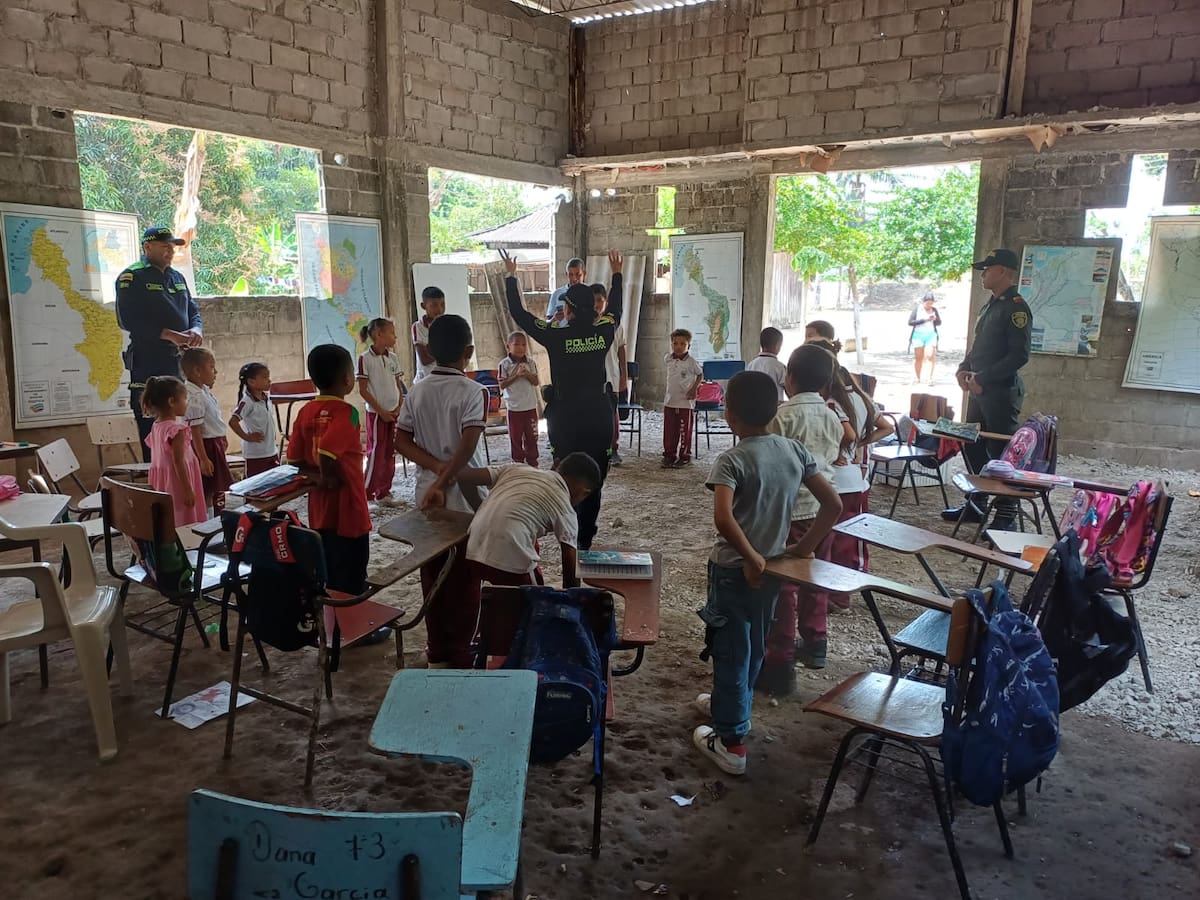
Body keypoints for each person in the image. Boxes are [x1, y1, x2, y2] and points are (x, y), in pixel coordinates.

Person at [692, 370, 841, 776]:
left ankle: (731, 742)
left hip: (733, 569)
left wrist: (750, 556)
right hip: (772, 568)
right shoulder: (793, 450)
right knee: (754, 645)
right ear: (776, 410)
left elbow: (724, 519)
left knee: (729, 650)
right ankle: (730, 706)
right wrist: (801, 548)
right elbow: (832, 505)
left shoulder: (733, 458)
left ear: (729, 414)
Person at [501, 248, 623, 551]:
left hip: (565, 417)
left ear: (568, 309)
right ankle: (585, 538)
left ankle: (568, 533)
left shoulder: (556, 335)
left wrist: (511, 278)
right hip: (597, 416)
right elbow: (617, 310)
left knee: (564, 474)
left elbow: (520, 315)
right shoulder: (603, 332)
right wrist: (617, 275)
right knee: (594, 476)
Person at [396, 314, 490, 667]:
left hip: (427, 497)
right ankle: (461, 653)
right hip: (462, 499)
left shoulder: (417, 390)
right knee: (465, 579)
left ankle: (437, 650)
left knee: (433, 574)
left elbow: (401, 441)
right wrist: (444, 478)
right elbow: (467, 446)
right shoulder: (474, 391)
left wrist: (434, 470)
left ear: (430, 351)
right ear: (469, 351)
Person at [760, 344, 845, 689]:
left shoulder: (781, 417)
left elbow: (768, 460)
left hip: (791, 512)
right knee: (815, 575)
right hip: (824, 510)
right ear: (826, 383)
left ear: (789, 377)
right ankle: (816, 640)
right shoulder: (832, 416)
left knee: (784, 584)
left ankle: (779, 657)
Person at [942, 249, 1034, 531]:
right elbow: (979, 346)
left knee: (1002, 453)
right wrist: (963, 368)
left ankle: (1006, 513)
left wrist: (983, 377)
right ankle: (977, 502)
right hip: (979, 391)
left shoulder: (1016, 308)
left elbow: (1019, 355)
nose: (983, 274)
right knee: (973, 445)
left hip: (1000, 392)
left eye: (988, 268)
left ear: (1003, 271)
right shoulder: (991, 305)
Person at [423, 451, 602, 594]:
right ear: (584, 491)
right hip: (511, 561)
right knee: (537, 604)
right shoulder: (565, 508)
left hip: (474, 553)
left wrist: (480, 509)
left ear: (557, 466)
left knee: (504, 599)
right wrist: (573, 601)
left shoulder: (516, 468)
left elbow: (463, 476)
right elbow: (570, 570)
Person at [286, 344, 372, 595]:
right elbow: (327, 449)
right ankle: (352, 616)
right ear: (347, 379)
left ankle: (333, 613)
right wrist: (328, 476)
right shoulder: (349, 413)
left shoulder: (305, 412)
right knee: (354, 570)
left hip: (320, 507)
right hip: (349, 506)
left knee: (329, 567)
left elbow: (293, 458)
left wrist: (316, 477)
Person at [115, 226, 203, 460]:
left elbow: (193, 310)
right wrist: (169, 334)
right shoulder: (132, 277)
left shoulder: (177, 277)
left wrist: (196, 329)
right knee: (153, 429)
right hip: (148, 362)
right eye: (165, 246)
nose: (170, 251)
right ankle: (157, 477)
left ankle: (182, 473)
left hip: (176, 362)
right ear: (147, 247)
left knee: (179, 423)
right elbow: (128, 320)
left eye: (172, 247)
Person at [813, 343, 895, 573]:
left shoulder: (832, 404)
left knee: (831, 537)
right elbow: (887, 428)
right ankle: (849, 580)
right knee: (851, 535)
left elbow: (847, 434)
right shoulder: (863, 399)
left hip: (837, 478)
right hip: (856, 477)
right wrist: (860, 443)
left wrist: (839, 449)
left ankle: (834, 582)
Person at [141, 375, 206, 527]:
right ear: (171, 402)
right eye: (184, 398)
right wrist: (187, 489)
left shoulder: (157, 426)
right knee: (184, 516)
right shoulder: (177, 430)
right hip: (178, 482)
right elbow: (178, 461)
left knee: (170, 518)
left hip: (164, 481)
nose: (186, 403)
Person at [358, 317, 405, 507]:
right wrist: (381, 411)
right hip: (377, 414)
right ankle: (366, 494)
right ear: (379, 335)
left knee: (389, 452)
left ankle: (384, 492)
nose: (395, 337)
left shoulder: (393, 358)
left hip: (393, 413)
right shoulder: (365, 359)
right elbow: (363, 390)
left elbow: (398, 385)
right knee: (376, 452)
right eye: (392, 333)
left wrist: (399, 405)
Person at [181, 347, 232, 515]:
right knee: (208, 489)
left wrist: (222, 438)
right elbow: (195, 430)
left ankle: (215, 518)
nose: (215, 372)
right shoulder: (194, 396)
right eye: (211, 367)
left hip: (213, 443)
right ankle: (208, 521)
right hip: (205, 446)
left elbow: (212, 419)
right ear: (197, 371)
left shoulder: (203, 390)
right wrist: (203, 458)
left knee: (216, 489)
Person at [594, 282, 627, 467]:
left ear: (606, 302)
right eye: (593, 301)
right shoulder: (585, 324)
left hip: (611, 375)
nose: (596, 305)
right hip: (591, 378)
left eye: (600, 300)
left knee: (611, 413)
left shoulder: (614, 325)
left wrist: (624, 374)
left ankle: (613, 448)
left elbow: (621, 349)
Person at [228, 362, 279, 477]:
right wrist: (247, 437)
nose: (269, 380)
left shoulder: (266, 397)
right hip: (256, 455)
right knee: (256, 485)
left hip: (271, 451)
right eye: (265, 377)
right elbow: (233, 421)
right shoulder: (247, 401)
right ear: (251, 382)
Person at [662, 328, 704, 468]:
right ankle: (669, 455)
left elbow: (700, 374)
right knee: (669, 430)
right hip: (670, 401)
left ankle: (685, 456)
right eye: (675, 343)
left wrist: (694, 389)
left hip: (685, 403)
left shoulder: (691, 362)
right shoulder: (668, 359)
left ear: (688, 346)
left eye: (682, 344)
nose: (678, 347)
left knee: (684, 430)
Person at [498, 331, 540, 467]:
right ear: (508, 346)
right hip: (514, 409)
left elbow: (536, 382)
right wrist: (516, 375)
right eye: (516, 344)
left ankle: (533, 462)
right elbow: (502, 385)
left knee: (532, 437)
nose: (521, 347)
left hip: (530, 407)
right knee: (515, 438)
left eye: (523, 344)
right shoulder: (504, 364)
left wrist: (526, 373)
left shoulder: (530, 362)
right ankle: (518, 463)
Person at [411, 286, 446, 385]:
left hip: (444, 380)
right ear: (423, 306)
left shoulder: (448, 325)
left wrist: (433, 351)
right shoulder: (419, 327)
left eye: (442, 304)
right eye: (434, 305)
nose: (439, 309)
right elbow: (424, 359)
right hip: (425, 381)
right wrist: (446, 351)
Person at [908, 292, 942, 384]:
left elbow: (939, 323)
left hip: (931, 335)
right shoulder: (917, 310)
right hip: (918, 335)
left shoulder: (934, 310)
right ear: (923, 302)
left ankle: (930, 378)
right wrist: (925, 320)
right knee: (919, 357)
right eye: (927, 303)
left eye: (931, 303)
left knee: (930, 356)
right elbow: (910, 322)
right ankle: (917, 377)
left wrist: (935, 319)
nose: (929, 305)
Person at [746, 326, 787, 401]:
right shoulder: (779, 366)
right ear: (777, 346)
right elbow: (788, 388)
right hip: (774, 405)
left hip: (754, 404)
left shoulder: (751, 364)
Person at [545, 257, 586, 324]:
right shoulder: (557, 294)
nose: (574, 278)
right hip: (562, 330)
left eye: (578, 275)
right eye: (571, 275)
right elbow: (549, 320)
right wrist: (554, 319)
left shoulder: (590, 293)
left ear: (584, 274)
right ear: (566, 274)